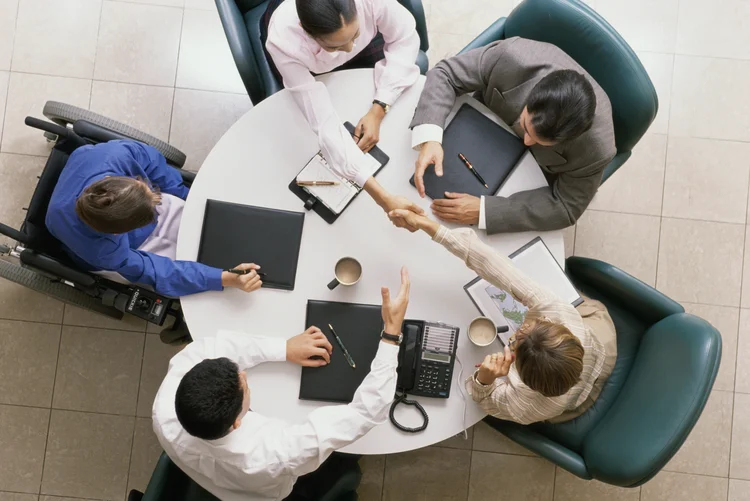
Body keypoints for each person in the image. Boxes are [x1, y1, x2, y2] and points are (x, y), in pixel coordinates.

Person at [152, 267, 411, 501]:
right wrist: (391, 334)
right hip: (269, 492)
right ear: (236, 422)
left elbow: (213, 347)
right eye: (244, 385)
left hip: (205, 472)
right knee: (350, 454)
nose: (244, 375)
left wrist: (284, 348)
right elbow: (366, 412)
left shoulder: (164, 408)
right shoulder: (277, 453)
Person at [389, 209, 616, 424]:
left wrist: (484, 380)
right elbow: (495, 265)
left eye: (515, 341)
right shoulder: (559, 315)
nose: (516, 332)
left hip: (572, 401)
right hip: (602, 342)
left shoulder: (526, 405)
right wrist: (431, 227)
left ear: (521, 373)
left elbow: (482, 399)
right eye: (538, 323)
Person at [410, 37, 616, 234]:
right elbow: (445, 74)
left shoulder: (598, 149)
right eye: (526, 126)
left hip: (528, 180)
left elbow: (566, 206)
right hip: (477, 131)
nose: (526, 141)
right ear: (531, 95)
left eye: (540, 141)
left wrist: (485, 212)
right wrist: (430, 135)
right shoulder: (511, 57)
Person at [264, 0, 424, 225]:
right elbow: (323, 122)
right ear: (303, 28)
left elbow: (405, 37)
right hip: (305, 62)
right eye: (334, 47)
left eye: (355, 34)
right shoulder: (284, 40)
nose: (349, 49)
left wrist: (379, 107)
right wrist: (382, 198)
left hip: (363, 44)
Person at [46, 140, 262, 298]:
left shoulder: (117, 155)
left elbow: (155, 166)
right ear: (117, 233)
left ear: (114, 179)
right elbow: (156, 271)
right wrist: (223, 278)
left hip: (112, 217)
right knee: (187, 285)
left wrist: (193, 200)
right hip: (132, 249)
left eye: (145, 188)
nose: (157, 199)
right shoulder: (103, 250)